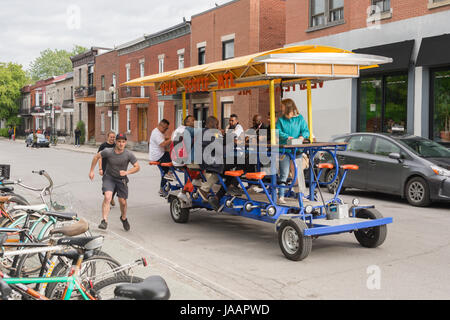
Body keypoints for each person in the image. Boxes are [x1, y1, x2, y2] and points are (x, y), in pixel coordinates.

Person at [89, 133, 140, 231]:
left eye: (123, 142)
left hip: (122, 180)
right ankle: (104, 221)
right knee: (108, 197)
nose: (121, 144)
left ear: (125, 143)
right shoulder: (108, 151)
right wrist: (91, 171)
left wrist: (127, 172)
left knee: (123, 202)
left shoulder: (128, 154)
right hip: (109, 178)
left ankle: (123, 218)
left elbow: (137, 167)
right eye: (119, 141)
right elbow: (96, 157)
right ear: (115, 142)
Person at [275, 99, 310, 204]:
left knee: (298, 173)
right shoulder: (281, 120)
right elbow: (277, 132)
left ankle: (300, 195)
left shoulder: (299, 118)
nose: (281, 108)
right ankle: (281, 196)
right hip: (284, 150)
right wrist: (287, 137)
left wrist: (302, 136)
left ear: (287, 107)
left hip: (297, 149)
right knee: (284, 173)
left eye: (282, 106)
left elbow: (306, 130)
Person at [149, 119, 173, 195]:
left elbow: (163, 141)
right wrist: (172, 139)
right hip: (158, 155)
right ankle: (169, 174)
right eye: (165, 128)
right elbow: (162, 144)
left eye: (167, 129)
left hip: (161, 153)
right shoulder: (156, 133)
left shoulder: (160, 132)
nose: (166, 130)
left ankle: (163, 187)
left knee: (165, 172)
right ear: (160, 125)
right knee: (175, 160)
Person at [98, 131, 117, 207]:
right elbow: (99, 157)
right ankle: (108, 200)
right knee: (107, 185)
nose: (112, 138)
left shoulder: (116, 145)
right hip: (105, 168)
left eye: (113, 137)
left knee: (116, 185)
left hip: (115, 169)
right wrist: (100, 168)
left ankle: (111, 197)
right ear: (108, 137)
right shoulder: (103, 146)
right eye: (111, 137)